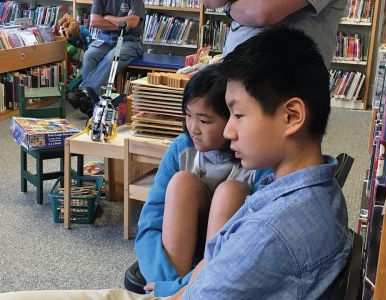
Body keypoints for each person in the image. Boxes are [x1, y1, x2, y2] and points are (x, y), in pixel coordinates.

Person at [0, 26, 353, 300]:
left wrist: (177, 289)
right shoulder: (315, 189)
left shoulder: (274, 231)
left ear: (292, 116)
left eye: (239, 115)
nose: (229, 131)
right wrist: (181, 284)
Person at [134, 63, 269, 296]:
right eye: (188, 115)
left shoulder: (256, 160)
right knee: (181, 183)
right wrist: (168, 286)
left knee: (230, 192)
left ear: (231, 119)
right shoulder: (181, 149)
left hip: (221, 267)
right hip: (178, 263)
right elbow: (150, 222)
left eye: (205, 121)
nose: (193, 128)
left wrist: (190, 286)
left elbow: (251, 243)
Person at [203, 0, 346, 67]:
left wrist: (229, 8)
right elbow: (210, 2)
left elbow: (261, 12)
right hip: (238, 67)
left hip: (284, 77)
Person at [69, 0, 145, 115]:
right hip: (105, 38)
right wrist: (122, 24)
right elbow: (94, 21)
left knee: (112, 58)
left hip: (129, 40)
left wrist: (107, 18)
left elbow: (133, 22)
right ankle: (93, 106)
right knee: (89, 55)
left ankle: (87, 94)